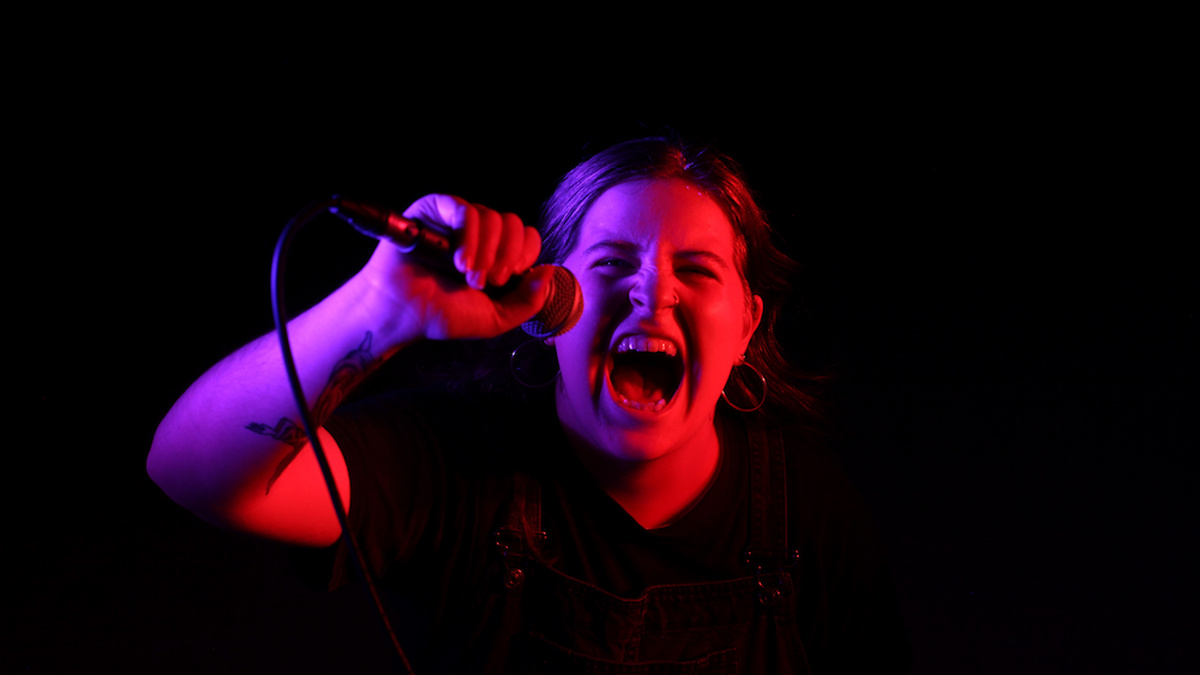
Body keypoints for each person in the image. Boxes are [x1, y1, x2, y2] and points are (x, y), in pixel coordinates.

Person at [148, 135, 911, 673]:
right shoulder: (452, 463)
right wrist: (379, 308)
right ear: (549, 308)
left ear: (745, 325)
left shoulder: (812, 516)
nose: (653, 290)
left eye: (698, 270)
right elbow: (187, 466)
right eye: (611, 262)